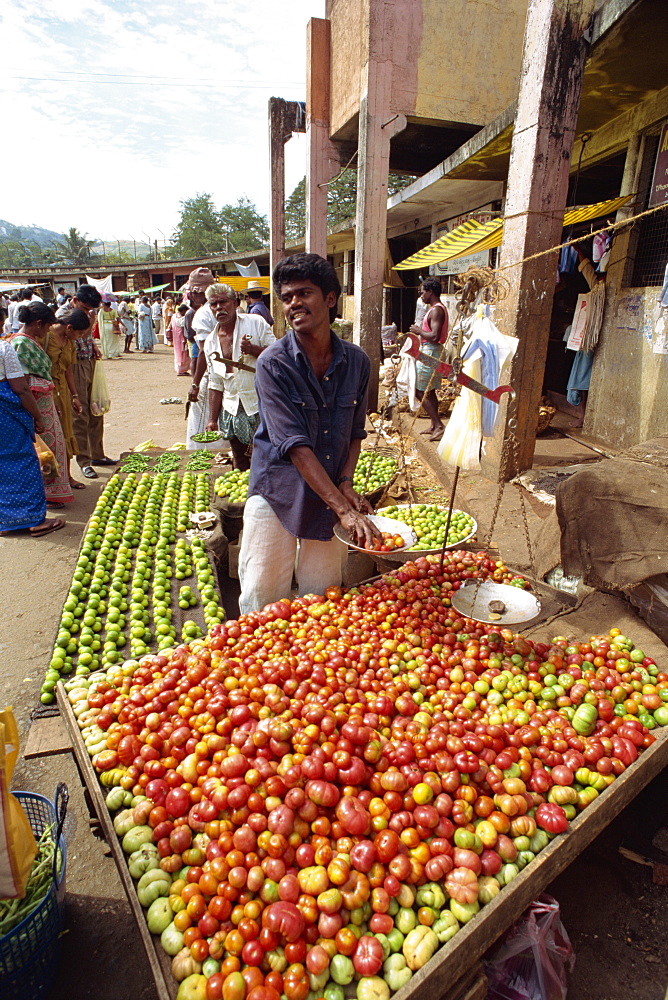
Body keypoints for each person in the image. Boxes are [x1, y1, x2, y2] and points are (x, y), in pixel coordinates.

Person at [238, 252, 381, 614]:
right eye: (286, 298)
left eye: (304, 293)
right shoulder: (273, 363)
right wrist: (344, 511)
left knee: (322, 598)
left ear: (330, 299)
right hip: (278, 490)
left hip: (329, 491)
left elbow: (355, 432)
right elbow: (295, 446)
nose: (294, 304)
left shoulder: (357, 362)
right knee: (262, 598)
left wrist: (346, 483)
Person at [203, 283, 275, 469]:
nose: (219, 307)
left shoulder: (255, 323)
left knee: (268, 456)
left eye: (223, 302)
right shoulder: (210, 342)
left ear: (234, 303)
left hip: (260, 403)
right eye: (213, 304)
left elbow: (278, 356)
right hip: (232, 409)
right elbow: (216, 383)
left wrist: (254, 350)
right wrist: (212, 419)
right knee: (240, 460)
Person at [10, 302, 74, 507]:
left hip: (45, 403)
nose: (48, 331)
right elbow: (24, 383)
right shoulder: (21, 344)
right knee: (45, 450)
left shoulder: (31, 341)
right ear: (38, 324)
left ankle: (52, 491)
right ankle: (47, 493)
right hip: (36, 406)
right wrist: (36, 414)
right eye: (47, 326)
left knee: (53, 447)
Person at [0, 337, 65, 537]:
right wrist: (37, 416)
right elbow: (20, 388)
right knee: (23, 460)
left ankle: (6, 521)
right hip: (5, 412)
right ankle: (34, 521)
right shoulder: (4, 348)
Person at [57, 283, 116, 480]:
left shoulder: (89, 314)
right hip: (75, 367)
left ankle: (97, 454)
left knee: (97, 408)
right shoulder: (63, 316)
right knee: (80, 413)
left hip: (89, 361)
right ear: (74, 301)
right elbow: (69, 341)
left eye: (91, 309)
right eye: (84, 308)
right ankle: (84, 461)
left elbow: (86, 337)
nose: (88, 313)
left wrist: (93, 346)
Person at [47, 308, 91, 491]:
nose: (80, 336)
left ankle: (66, 476)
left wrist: (74, 396)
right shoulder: (46, 336)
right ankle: (49, 480)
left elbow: (69, 371)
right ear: (69, 327)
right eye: (79, 333)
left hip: (63, 391)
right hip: (46, 391)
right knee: (49, 436)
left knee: (65, 433)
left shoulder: (70, 343)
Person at [409, 276, 448, 441]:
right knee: (429, 389)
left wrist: (418, 331)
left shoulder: (437, 310)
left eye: (422, 292)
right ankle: (434, 424)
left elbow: (433, 335)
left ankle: (439, 425)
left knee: (419, 390)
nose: (421, 296)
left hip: (430, 351)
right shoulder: (433, 309)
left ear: (430, 292)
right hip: (429, 350)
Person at [185, 268, 218, 448]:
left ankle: (204, 455)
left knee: (203, 418)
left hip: (213, 374)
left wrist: (195, 384)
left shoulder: (203, 314)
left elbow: (205, 352)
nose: (191, 295)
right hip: (226, 373)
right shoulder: (224, 308)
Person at [171, 303, 190, 375]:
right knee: (183, 353)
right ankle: (181, 369)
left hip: (175, 337)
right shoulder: (182, 318)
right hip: (181, 337)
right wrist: (185, 338)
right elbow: (182, 328)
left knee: (178, 352)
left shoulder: (174, 316)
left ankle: (180, 368)